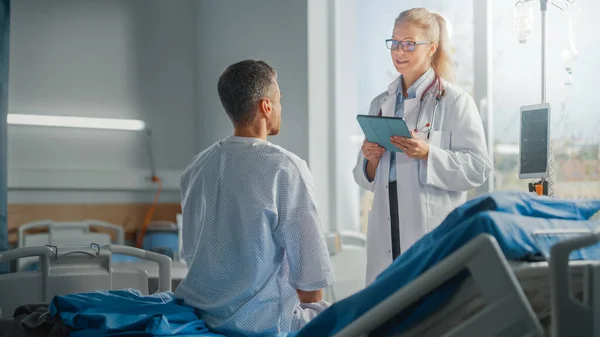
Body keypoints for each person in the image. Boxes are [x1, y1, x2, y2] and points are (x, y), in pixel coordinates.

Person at [175, 60, 335, 337]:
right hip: (263, 322)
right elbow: (311, 285)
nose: (280, 107)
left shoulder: (197, 167)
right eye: (279, 100)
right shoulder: (285, 168)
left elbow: (191, 253)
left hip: (200, 313)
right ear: (266, 106)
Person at [353, 8, 493, 285]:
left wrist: (429, 153)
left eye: (408, 44)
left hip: (429, 229)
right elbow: (365, 177)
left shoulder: (454, 101)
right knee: (386, 315)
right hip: (386, 227)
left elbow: (479, 168)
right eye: (394, 42)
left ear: (431, 48)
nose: (398, 51)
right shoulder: (381, 103)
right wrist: (370, 160)